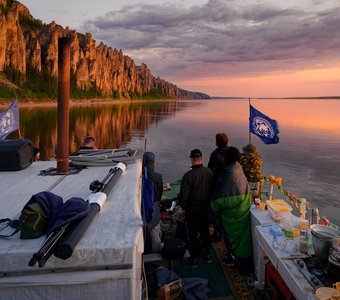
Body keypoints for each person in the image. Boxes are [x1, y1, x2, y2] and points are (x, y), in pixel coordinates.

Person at [210, 146, 253, 275]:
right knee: (241, 238)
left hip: (233, 214)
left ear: (227, 158)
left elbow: (220, 199)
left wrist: (211, 214)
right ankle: (239, 259)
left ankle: (235, 260)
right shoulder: (238, 167)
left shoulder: (229, 174)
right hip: (244, 207)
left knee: (232, 238)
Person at [178, 149, 213, 267]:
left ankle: (194, 258)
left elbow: (184, 195)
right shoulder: (209, 172)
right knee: (205, 231)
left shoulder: (188, 176)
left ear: (192, 159)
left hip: (192, 209)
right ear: (201, 159)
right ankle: (207, 254)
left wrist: (183, 207)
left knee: (192, 233)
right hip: (206, 208)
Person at [142, 152, 163, 253]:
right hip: (155, 207)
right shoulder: (158, 177)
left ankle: (149, 252)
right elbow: (160, 192)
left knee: (149, 233)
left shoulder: (140, 178)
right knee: (155, 231)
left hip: (144, 209)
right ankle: (157, 254)